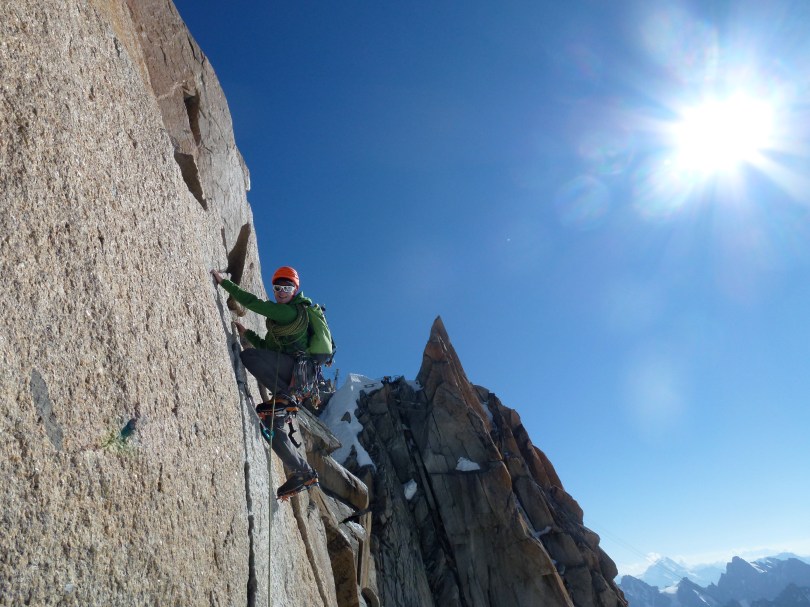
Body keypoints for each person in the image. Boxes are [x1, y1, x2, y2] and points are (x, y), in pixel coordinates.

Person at [212, 266, 319, 498]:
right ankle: (304, 472)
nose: (281, 292)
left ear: (295, 289)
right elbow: (268, 349)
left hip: (295, 374)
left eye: (286, 287)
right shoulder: (280, 326)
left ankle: (283, 399)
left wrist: (225, 284)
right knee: (272, 425)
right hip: (295, 380)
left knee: (248, 356)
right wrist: (247, 334)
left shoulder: (289, 313)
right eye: (277, 288)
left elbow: (256, 304)